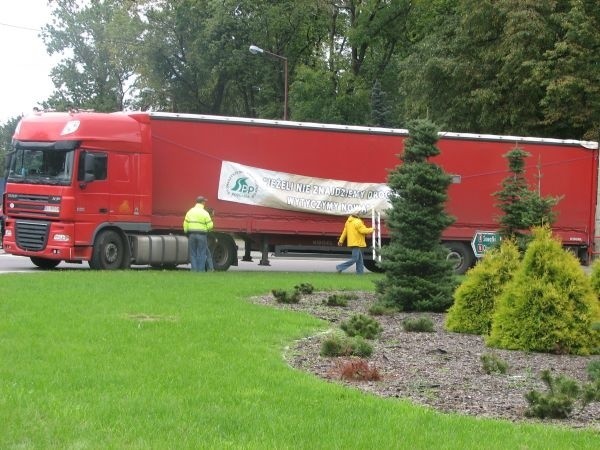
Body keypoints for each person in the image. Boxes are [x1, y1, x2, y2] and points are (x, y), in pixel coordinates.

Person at [183, 196, 214, 272]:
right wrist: (206, 230)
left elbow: (185, 223)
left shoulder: (190, 211)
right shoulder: (205, 213)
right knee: (201, 253)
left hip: (192, 235)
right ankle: (201, 271)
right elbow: (210, 226)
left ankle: (194, 270)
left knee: (193, 253)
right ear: (202, 202)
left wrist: (186, 231)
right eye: (204, 202)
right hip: (202, 235)